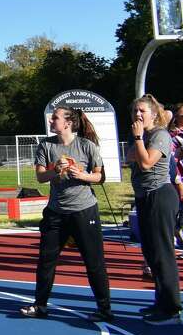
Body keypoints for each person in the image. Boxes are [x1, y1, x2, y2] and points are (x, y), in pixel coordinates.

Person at [19, 107, 113, 321]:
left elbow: (100, 177)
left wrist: (81, 174)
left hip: (84, 209)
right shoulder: (46, 145)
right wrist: (57, 170)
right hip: (56, 212)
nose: (51, 121)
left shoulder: (87, 146)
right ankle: (40, 305)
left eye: (56, 118)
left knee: (93, 261)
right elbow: (41, 178)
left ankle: (104, 309)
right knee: (46, 260)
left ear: (68, 123)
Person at [128, 94, 180, 324]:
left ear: (153, 113)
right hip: (144, 197)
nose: (138, 115)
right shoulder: (142, 136)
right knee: (150, 253)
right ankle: (160, 302)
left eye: (142, 111)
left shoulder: (159, 135)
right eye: (135, 111)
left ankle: (171, 308)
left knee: (162, 253)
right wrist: (138, 141)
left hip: (160, 195)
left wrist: (138, 138)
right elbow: (130, 156)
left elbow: (147, 162)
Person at [167, 104, 183, 256]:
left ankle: (178, 229)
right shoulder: (172, 135)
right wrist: (182, 152)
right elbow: (169, 160)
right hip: (182, 180)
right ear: (176, 117)